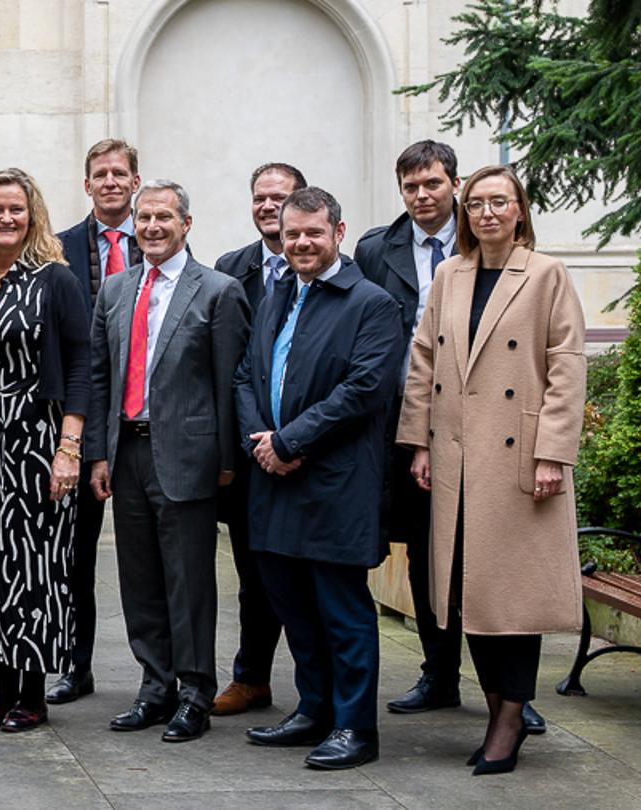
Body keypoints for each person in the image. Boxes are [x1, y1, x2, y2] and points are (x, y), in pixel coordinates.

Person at [396, 166, 585, 775]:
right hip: (455, 458)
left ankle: (509, 717)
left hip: (519, 462)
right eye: (475, 203)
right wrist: (419, 444)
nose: (486, 213)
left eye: (497, 202)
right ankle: (497, 704)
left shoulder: (546, 273)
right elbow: (423, 361)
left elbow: (566, 365)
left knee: (511, 596)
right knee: (467, 592)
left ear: (519, 210)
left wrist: (553, 453)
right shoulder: (450, 276)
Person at [353, 142, 548, 734]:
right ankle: (438, 672)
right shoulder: (374, 250)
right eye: (410, 186)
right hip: (408, 420)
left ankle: (511, 694)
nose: (421, 196)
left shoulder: (516, 264)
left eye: (432, 184)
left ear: (453, 185)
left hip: (493, 430)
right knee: (424, 547)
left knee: (497, 559)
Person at [233, 188, 402, 770]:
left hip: (335, 483)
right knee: (292, 607)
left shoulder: (371, 303)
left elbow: (364, 390)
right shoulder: (278, 292)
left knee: (342, 611)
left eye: (313, 233)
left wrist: (289, 442)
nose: (301, 243)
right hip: (273, 480)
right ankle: (314, 709)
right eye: (291, 234)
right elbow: (246, 375)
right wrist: (263, 441)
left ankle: (355, 728)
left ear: (339, 232)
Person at [87, 180, 251, 743]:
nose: (152, 227)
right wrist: (97, 455)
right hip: (126, 451)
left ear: (186, 223)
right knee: (139, 579)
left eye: (164, 217)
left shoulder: (218, 291)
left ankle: (195, 691)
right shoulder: (114, 289)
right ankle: (153, 686)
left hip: (187, 454)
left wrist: (227, 459)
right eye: (144, 217)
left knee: (189, 581)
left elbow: (231, 382)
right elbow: (99, 375)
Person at [0, 169, 92, 735]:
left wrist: (70, 447)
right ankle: (3, 688)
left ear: (33, 215)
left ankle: (33, 694)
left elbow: (81, 365)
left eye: (16, 209)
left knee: (35, 568)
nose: (6, 218)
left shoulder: (55, 280)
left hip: (36, 440)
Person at [210, 162, 307, 716]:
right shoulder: (232, 269)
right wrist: (254, 441)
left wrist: (292, 439)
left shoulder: (330, 266)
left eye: (281, 198)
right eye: (261, 198)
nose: (269, 207)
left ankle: (317, 687)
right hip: (252, 456)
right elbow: (232, 368)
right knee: (254, 576)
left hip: (311, 451)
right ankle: (252, 677)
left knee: (308, 577)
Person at [47, 138, 142, 703]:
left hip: (138, 420)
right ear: (87, 185)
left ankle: (159, 674)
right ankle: (74, 665)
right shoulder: (58, 249)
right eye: (100, 174)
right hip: (77, 419)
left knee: (145, 557)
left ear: (134, 181)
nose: (110, 182)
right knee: (72, 557)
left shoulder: (157, 238)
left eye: (119, 173)